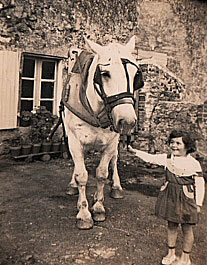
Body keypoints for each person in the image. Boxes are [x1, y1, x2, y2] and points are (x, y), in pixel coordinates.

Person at [128, 129, 205, 265]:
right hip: (170, 196)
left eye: (178, 143)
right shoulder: (167, 158)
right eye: (172, 142)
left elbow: (199, 183)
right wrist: (136, 152)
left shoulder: (193, 163)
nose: (174, 146)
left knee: (187, 228)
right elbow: (151, 158)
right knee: (171, 225)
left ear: (187, 146)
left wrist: (198, 203)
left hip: (186, 198)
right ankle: (171, 254)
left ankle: (185, 257)